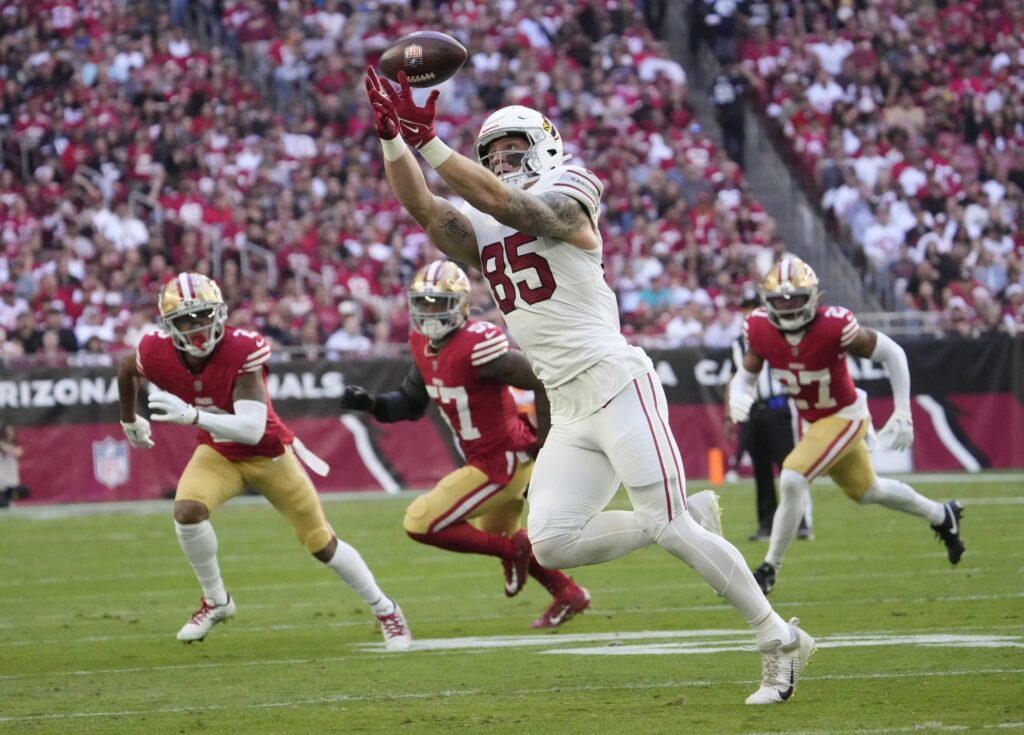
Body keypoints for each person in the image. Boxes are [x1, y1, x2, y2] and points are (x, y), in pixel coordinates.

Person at [363, 68, 814, 705]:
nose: (502, 162)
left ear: (544, 146)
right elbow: (423, 208)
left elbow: (522, 210)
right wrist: (392, 141)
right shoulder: (484, 222)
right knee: (552, 540)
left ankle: (777, 641)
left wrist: (433, 144)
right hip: (569, 406)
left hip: (617, 382)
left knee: (670, 529)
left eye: (512, 150)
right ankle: (689, 519)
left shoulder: (573, 185)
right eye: (492, 155)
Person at [341, 260, 729, 626]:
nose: (428, 312)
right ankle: (567, 592)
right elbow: (410, 401)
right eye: (421, 303)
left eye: (437, 303)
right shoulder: (423, 345)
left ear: (459, 306)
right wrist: (371, 404)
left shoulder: (477, 343)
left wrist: (547, 446)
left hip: (502, 461)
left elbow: (539, 380)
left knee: (420, 522)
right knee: (503, 534)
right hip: (486, 459)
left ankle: (518, 552)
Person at [117, 272, 412, 649]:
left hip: (267, 454)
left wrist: (193, 416)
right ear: (169, 326)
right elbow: (128, 367)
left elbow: (253, 429)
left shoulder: (242, 350)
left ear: (220, 313)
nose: (197, 328)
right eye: (186, 320)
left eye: (204, 316)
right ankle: (216, 600)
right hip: (218, 452)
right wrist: (129, 419)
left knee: (321, 543)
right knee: (188, 511)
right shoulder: (155, 351)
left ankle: (386, 609)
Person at [728, 257, 965, 595]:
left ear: (812, 297)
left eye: (794, 297)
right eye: (780, 300)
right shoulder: (761, 329)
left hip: (846, 415)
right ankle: (942, 515)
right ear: (768, 302)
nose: (787, 305)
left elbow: (893, 353)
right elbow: (746, 376)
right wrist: (738, 394)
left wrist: (902, 410)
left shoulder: (834, 326)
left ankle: (768, 570)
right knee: (869, 491)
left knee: (793, 476)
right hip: (818, 421)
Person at [725, 291, 813, 542]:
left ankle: (800, 522)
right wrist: (729, 414)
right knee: (761, 471)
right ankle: (766, 525)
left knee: (790, 467)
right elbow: (733, 379)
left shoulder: (778, 335)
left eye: (753, 307)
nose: (748, 312)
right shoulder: (736, 343)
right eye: (745, 308)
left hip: (777, 409)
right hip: (753, 411)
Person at [0, 424, 30, 508]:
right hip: (2, 487)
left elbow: (17, 453)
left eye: (11, 432)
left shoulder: (15, 448)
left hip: (13, 487)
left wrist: (2, 444)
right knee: (3, 504)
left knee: (25, 490)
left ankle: (10, 499)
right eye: (7, 433)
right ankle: (7, 501)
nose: (10, 435)